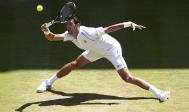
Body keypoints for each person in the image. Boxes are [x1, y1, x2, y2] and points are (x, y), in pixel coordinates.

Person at [38, 16, 170, 102]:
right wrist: (46, 31)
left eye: (70, 24)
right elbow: (53, 37)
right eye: (67, 24)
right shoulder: (70, 34)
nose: (68, 27)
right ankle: (48, 82)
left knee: (127, 78)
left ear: (77, 25)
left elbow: (109, 29)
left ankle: (159, 93)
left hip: (111, 49)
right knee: (74, 64)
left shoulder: (89, 32)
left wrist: (128, 23)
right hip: (95, 50)